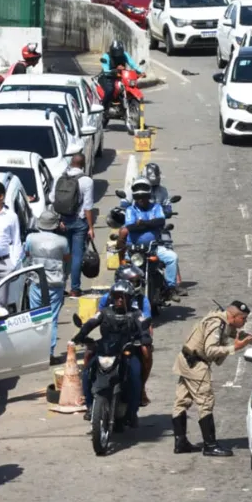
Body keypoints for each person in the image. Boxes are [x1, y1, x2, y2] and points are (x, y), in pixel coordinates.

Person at [171, 300, 252, 456]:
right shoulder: (217, 324)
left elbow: (241, 336)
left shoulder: (219, 320)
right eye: (243, 319)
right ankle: (210, 445)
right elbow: (210, 351)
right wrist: (234, 348)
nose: (245, 322)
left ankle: (180, 442)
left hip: (185, 360)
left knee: (181, 401)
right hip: (196, 365)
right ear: (234, 316)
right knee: (206, 401)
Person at [74, 281, 148, 429]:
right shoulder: (105, 312)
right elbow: (91, 323)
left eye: (123, 296)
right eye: (116, 296)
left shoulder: (136, 314)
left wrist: (145, 337)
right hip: (106, 350)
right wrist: (80, 335)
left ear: (129, 298)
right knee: (87, 372)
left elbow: (143, 326)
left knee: (135, 376)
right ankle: (89, 406)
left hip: (127, 351)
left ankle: (132, 411)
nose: (120, 299)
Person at [118, 179, 184, 301]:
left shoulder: (156, 207)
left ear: (148, 196)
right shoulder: (130, 210)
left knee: (172, 257)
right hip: (134, 250)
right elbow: (130, 227)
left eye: (143, 197)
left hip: (154, 248)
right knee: (122, 271)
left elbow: (161, 221)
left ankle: (170, 288)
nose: (140, 200)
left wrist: (142, 223)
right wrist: (151, 224)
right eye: (137, 197)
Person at [98, 265, 153, 405]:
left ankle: (141, 388)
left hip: (133, 338)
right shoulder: (106, 298)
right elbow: (99, 318)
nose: (120, 300)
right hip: (111, 337)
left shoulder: (142, 300)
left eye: (137, 281)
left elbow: (146, 321)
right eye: (133, 281)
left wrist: (146, 337)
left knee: (146, 352)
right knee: (89, 355)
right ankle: (88, 395)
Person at [23, 211, 70, 365]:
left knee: (36, 317)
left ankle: (36, 353)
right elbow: (66, 260)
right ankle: (48, 354)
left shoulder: (31, 238)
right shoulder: (62, 241)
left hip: (36, 281)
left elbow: (27, 254)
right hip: (55, 284)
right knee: (52, 319)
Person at [55, 153, 95, 298]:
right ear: (83, 164)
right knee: (76, 255)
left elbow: (54, 200)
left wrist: (59, 219)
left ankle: (60, 286)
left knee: (63, 256)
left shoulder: (61, 178)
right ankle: (75, 289)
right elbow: (88, 207)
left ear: (71, 163)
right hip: (79, 222)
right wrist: (91, 227)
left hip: (63, 221)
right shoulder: (87, 181)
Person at [98, 40, 141, 109]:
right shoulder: (106, 56)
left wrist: (140, 71)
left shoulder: (124, 55)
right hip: (108, 77)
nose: (117, 54)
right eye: (116, 52)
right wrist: (115, 70)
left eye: (119, 52)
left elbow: (132, 64)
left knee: (131, 85)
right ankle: (104, 108)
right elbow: (105, 70)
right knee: (110, 90)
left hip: (121, 76)